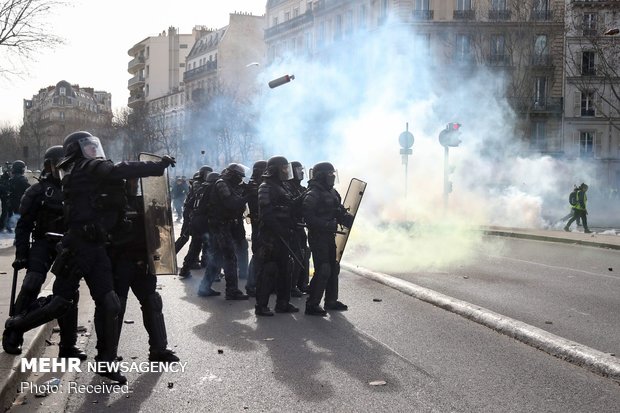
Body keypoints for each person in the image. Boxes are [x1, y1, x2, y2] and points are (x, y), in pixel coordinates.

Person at [3, 131, 175, 384]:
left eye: (95, 146)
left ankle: (105, 363)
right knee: (60, 304)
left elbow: (116, 183)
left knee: (110, 303)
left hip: (96, 247)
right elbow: (119, 168)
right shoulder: (82, 169)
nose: (94, 150)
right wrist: (156, 165)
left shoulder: (90, 172)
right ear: (76, 151)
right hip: (77, 247)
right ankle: (16, 325)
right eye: (88, 146)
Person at [2, 146, 85, 359]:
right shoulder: (37, 191)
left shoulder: (77, 190)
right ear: (50, 165)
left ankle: (68, 346)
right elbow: (24, 225)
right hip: (43, 242)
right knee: (32, 281)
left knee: (69, 293)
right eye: (60, 163)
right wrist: (21, 253)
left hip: (67, 245)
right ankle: (14, 332)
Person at [108, 178, 179, 363]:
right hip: (120, 262)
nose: (132, 186)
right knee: (115, 307)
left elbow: (157, 232)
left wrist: (160, 213)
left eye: (133, 182)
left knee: (152, 302)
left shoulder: (143, 203)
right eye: (127, 182)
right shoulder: (109, 204)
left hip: (142, 262)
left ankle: (159, 349)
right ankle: (108, 354)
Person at [302, 162, 354, 316]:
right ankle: (312, 304)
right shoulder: (312, 193)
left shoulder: (332, 193)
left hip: (329, 236)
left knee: (333, 267)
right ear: (321, 175)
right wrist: (326, 224)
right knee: (323, 269)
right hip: (317, 236)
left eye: (333, 173)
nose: (332, 176)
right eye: (329, 174)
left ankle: (331, 301)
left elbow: (339, 212)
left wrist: (348, 219)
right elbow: (308, 218)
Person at [254, 156, 299, 316]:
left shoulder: (282, 186)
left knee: (285, 269)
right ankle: (261, 306)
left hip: (283, 234)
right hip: (270, 236)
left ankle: (283, 303)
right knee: (269, 270)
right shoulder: (265, 187)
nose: (287, 171)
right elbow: (266, 214)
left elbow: (288, 207)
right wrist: (280, 229)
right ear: (275, 170)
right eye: (284, 168)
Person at [207, 164, 250, 300]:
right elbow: (231, 203)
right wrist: (247, 196)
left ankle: (204, 287)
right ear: (232, 175)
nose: (240, 179)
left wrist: (248, 189)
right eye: (239, 177)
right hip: (220, 225)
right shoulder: (221, 184)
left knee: (218, 257)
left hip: (223, 225)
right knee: (230, 257)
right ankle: (231, 291)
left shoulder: (228, 184)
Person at [177, 166, 212, 278]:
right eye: (207, 173)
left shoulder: (204, 184)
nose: (208, 175)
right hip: (192, 215)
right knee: (185, 237)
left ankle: (195, 262)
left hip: (195, 215)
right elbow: (197, 199)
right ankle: (170, 256)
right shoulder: (199, 184)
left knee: (197, 241)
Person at [284, 161, 310, 296]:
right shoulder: (287, 187)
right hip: (291, 227)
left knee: (305, 254)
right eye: (298, 170)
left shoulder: (301, 188)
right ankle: (291, 286)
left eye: (301, 169)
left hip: (301, 227)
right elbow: (291, 205)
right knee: (295, 256)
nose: (301, 172)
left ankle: (302, 283)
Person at [244, 160, 267, 297]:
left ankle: (259, 283)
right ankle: (251, 285)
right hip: (259, 224)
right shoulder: (254, 185)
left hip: (262, 224)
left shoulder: (258, 184)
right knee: (259, 253)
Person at [7, 160, 31, 232]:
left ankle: (9, 227)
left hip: (12, 201)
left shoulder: (11, 179)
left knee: (11, 216)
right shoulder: (22, 179)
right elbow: (29, 189)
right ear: (21, 169)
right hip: (20, 201)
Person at [0, 163, 10, 232]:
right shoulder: (3, 178)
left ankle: (6, 226)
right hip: (4, 196)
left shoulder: (9, 177)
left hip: (7, 197)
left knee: (7, 212)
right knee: (5, 212)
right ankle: (2, 226)